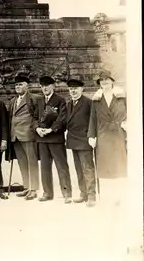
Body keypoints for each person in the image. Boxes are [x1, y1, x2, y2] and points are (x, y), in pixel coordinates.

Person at [88, 69, 127, 204]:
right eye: (102, 81)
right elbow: (92, 119)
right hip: (103, 135)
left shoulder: (121, 97)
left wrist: (127, 125)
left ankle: (120, 196)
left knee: (119, 166)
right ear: (100, 84)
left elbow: (130, 113)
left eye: (107, 80)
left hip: (118, 135)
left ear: (112, 82)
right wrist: (91, 136)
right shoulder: (96, 100)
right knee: (105, 168)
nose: (104, 83)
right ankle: (107, 197)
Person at [34, 75, 72, 204]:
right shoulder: (39, 101)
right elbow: (34, 117)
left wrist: (51, 129)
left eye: (47, 85)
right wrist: (37, 128)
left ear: (53, 86)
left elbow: (62, 118)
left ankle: (67, 193)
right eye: (42, 86)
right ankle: (47, 193)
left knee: (62, 167)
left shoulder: (60, 100)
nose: (44, 88)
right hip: (42, 139)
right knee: (44, 168)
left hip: (55, 138)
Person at [7, 73, 39, 200]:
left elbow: (37, 116)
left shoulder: (34, 99)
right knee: (22, 163)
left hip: (28, 135)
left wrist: (34, 129)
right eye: (16, 85)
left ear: (27, 85)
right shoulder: (13, 101)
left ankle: (34, 189)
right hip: (15, 136)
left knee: (32, 163)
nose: (17, 87)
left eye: (20, 84)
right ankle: (26, 187)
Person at [66, 76, 96, 207]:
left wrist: (91, 136)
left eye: (76, 89)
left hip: (84, 141)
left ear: (82, 89)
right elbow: (64, 121)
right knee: (79, 169)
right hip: (73, 140)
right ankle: (83, 194)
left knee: (87, 169)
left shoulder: (88, 102)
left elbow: (93, 121)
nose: (73, 91)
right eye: (71, 89)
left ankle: (91, 196)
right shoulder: (68, 104)